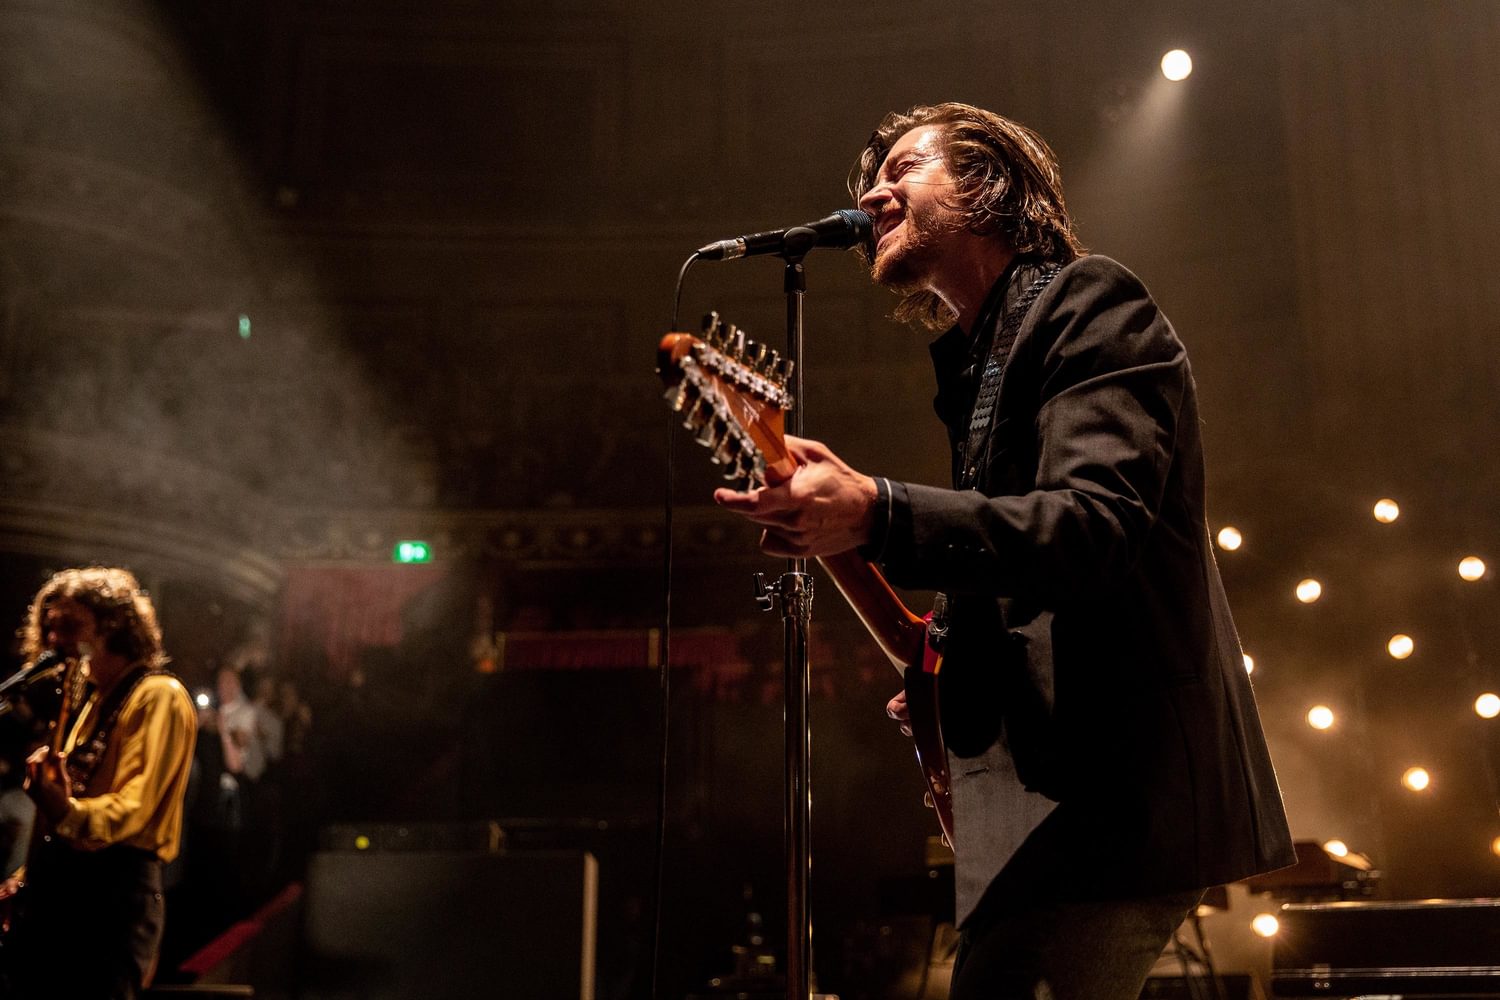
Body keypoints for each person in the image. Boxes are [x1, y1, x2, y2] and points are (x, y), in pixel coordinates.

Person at [713, 103, 1295, 999]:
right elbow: (1012, 582)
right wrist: (946, 672)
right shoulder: (982, 361)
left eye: (904, 167)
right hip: (1049, 799)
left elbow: (1093, 528)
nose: (874, 191)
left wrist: (878, 508)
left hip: (1118, 790)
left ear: (989, 186)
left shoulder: (1093, 302)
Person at [0, 566, 196, 999]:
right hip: (66, 896)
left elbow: (135, 807)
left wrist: (66, 812)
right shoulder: (90, 706)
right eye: (49, 629)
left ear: (114, 624)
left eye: (69, 626)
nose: (54, 641)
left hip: (113, 900)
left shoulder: (158, 695)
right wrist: (26, 878)